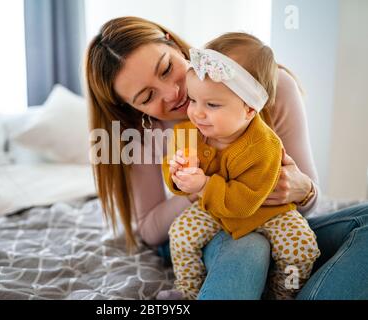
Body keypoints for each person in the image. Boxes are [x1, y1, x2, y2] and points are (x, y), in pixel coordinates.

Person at [84, 16, 368, 299]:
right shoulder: (144, 133)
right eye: (147, 97)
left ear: (172, 44)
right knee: (250, 247)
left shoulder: (273, 88)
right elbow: (150, 231)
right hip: (212, 232)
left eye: (167, 68)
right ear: (131, 108)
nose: (174, 93)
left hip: (269, 219)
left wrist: (303, 190)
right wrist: (197, 187)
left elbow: (308, 207)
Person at [157, 43, 320, 300]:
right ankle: (188, 292)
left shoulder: (264, 146)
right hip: (213, 208)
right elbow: (172, 174)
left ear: (248, 110)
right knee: (180, 235)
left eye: (211, 104)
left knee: (301, 248)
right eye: (192, 99)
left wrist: (203, 186)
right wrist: (177, 174)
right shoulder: (186, 133)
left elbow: (244, 204)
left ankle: (282, 293)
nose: (196, 112)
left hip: (263, 211)